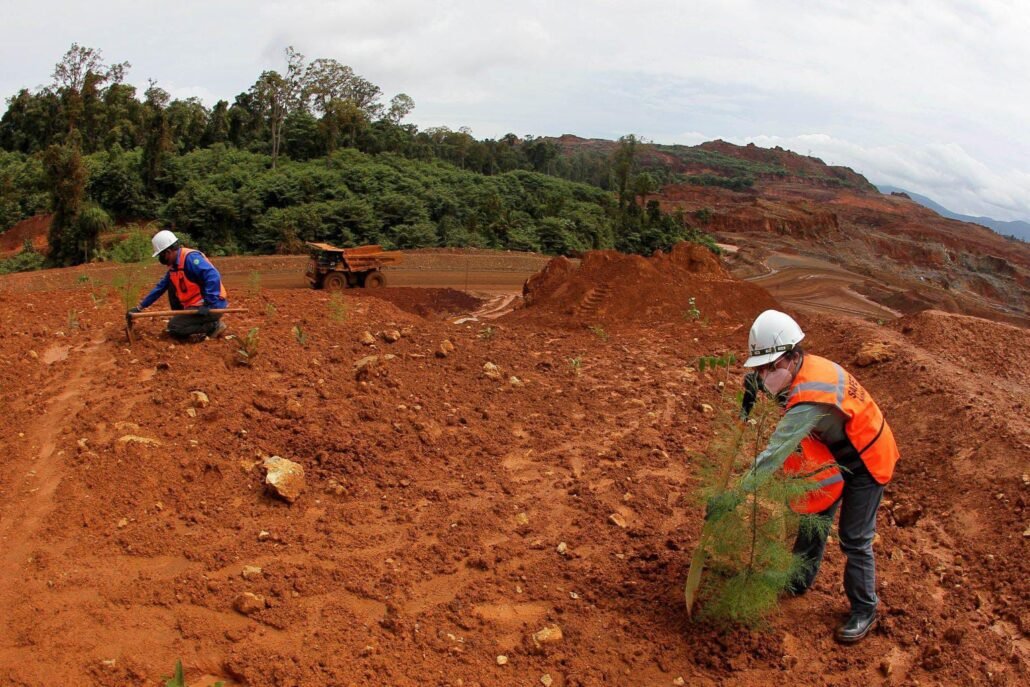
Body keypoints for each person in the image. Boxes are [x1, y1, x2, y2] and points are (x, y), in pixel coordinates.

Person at [739, 309, 900, 643]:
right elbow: (773, 382)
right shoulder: (801, 368)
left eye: (768, 367)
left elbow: (773, 455)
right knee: (815, 513)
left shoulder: (809, 399)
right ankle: (799, 579)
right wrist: (753, 384)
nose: (765, 373)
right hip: (836, 452)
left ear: (790, 357)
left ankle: (864, 609)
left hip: (867, 458)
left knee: (854, 538)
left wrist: (735, 495)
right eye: (760, 368)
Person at [127, 230, 229, 342]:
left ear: (168, 252)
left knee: (174, 327)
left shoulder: (191, 259)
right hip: (195, 305)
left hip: (212, 306)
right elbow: (160, 288)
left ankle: (214, 325)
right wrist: (139, 307)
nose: (160, 259)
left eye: (161, 255)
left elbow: (212, 276)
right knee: (170, 284)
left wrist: (208, 303)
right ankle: (184, 320)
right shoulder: (174, 267)